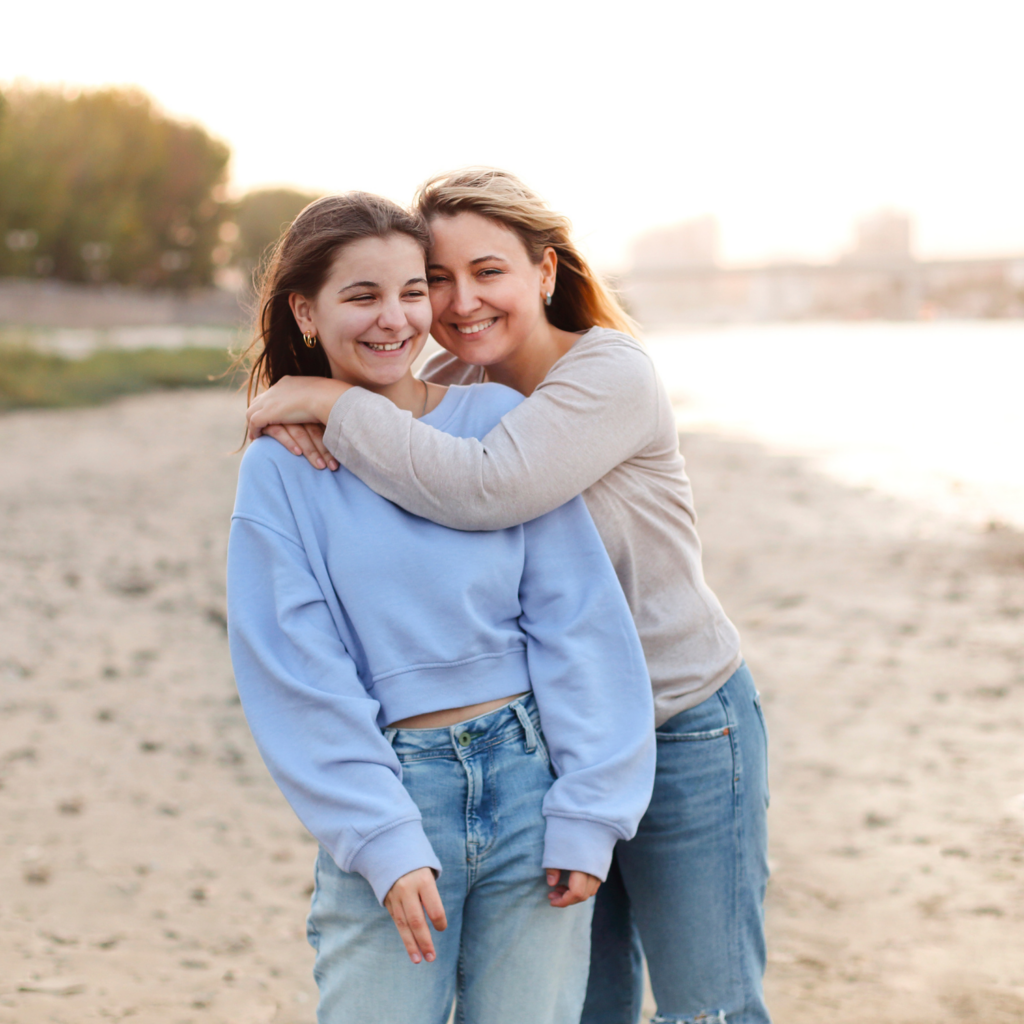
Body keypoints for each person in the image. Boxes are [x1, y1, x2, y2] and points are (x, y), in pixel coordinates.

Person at [245, 169, 772, 1024]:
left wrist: (327, 397)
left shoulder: (608, 373)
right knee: (589, 1004)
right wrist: (327, 407)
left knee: (705, 1008)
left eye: (486, 272)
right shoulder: (455, 390)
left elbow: (486, 487)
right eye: (437, 279)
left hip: (680, 722)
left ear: (547, 272)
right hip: (558, 741)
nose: (456, 302)